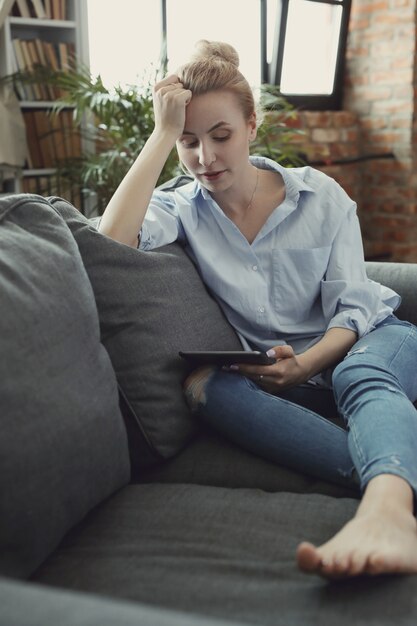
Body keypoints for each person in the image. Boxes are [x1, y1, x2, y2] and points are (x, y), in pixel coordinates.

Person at [99, 40, 417, 579]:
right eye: (188, 141)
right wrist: (158, 135)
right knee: (207, 387)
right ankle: (394, 472)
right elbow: (111, 239)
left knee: (359, 373)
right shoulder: (182, 207)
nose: (206, 158)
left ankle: (387, 510)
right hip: (282, 376)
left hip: (371, 344)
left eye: (221, 136)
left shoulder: (321, 196)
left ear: (251, 125)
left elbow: (356, 309)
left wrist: (309, 363)